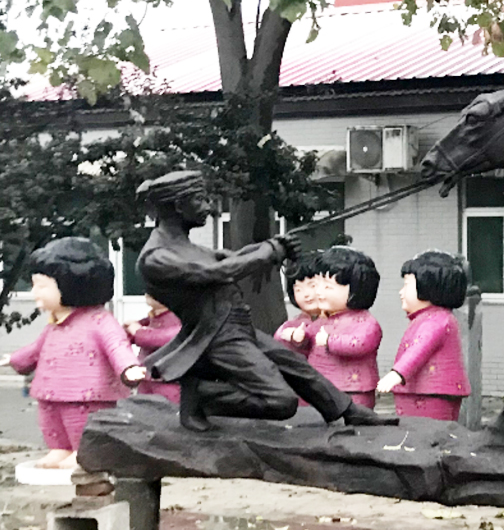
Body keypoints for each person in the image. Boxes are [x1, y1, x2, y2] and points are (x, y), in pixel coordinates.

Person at [134, 171, 396, 432]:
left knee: (297, 367)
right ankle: (202, 395)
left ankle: (348, 411)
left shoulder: (186, 248)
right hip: (216, 337)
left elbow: (230, 258)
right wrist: (271, 251)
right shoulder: (157, 257)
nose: (208, 207)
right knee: (281, 402)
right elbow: (218, 272)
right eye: (201, 200)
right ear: (179, 206)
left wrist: (273, 244)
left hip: (234, 327)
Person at [2, 238, 145, 469]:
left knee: (80, 421)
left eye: (42, 285)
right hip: (50, 389)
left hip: (87, 392)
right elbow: (36, 349)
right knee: (51, 419)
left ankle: (83, 451)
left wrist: (128, 368)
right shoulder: (53, 325)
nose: (34, 292)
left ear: (71, 285)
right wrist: (14, 359)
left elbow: (117, 345)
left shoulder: (100, 322)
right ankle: (59, 449)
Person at [377, 251, 471, 421]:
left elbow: (418, 350)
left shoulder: (436, 321)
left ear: (428, 286)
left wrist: (397, 374)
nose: (401, 292)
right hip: (420, 390)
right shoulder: (426, 319)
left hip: (432, 391)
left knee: (429, 433)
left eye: (407, 285)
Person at [305, 247, 383, 408]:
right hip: (320, 387)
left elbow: (360, 343)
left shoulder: (366, 322)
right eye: (316, 285)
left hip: (353, 390)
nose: (319, 292)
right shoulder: (321, 320)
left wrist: (329, 341)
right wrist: (297, 338)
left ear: (356, 288)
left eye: (327, 287)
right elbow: (307, 340)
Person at [127, 295, 182, 403]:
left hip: (169, 380)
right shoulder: (152, 317)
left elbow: (168, 337)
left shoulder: (180, 317)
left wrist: (139, 332)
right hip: (145, 377)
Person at [273, 255, 323, 359]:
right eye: (298, 289)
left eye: (312, 286)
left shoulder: (337, 319)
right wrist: (292, 336)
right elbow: (279, 336)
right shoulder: (295, 323)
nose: (306, 294)